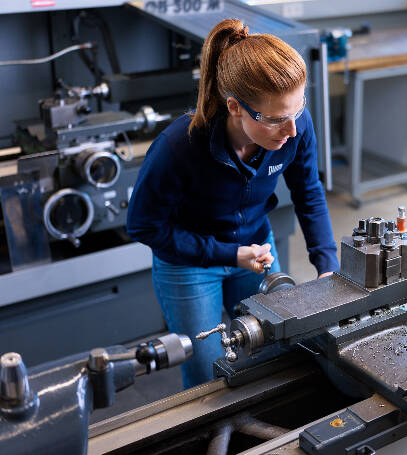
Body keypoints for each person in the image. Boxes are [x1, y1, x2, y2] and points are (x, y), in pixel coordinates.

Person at [126, 19, 339, 389]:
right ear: (234, 107)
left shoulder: (295, 126)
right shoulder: (179, 147)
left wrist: (328, 266)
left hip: (257, 248)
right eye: (276, 119)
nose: (291, 131)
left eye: (297, 111)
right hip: (189, 264)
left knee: (280, 348)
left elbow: (309, 192)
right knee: (206, 375)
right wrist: (228, 254)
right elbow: (144, 225)